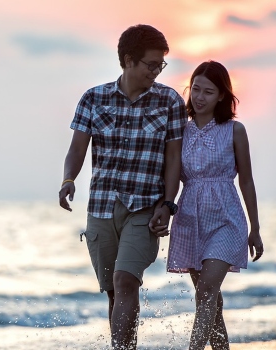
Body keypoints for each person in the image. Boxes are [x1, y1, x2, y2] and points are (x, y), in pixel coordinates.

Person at [58, 24, 187, 350]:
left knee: (126, 279)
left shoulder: (168, 101)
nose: (157, 71)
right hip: (102, 207)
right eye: (151, 64)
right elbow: (77, 149)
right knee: (116, 290)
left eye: (161, 65)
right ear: (129, 61)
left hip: (145, 209)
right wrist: (68, 180)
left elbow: (174, 159)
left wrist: (168, 205)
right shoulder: (93, 98)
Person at [166, 60, 264, 350]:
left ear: (222, 95)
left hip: (226, 219)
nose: (199, 97)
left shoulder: (235, 130)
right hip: (189, 219)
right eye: (195, 89)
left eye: (208, 92)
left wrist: (255, 228)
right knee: (208, 296)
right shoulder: (179, 131)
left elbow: (246, 180)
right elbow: (169, 173)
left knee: (207, 290)